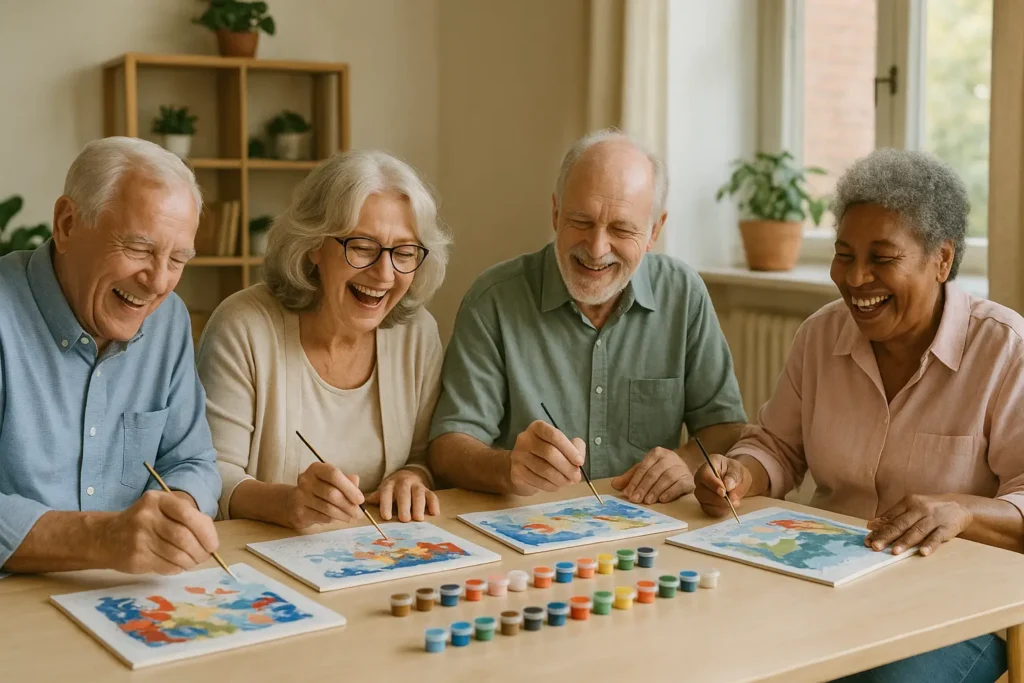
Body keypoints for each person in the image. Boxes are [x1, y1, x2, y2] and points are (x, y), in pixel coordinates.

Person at [694, 148, 1023, 683]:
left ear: (942, 260)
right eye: (844, 254)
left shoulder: (1006, 351)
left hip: (957, 610)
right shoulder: (820, 336)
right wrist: (739, 475)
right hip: (825, 582)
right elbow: (777, 448)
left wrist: (963, 512)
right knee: (719, 645)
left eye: (882, 258)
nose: (855, 278)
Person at [428, 129, 747, 502]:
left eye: (621, 229)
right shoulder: (494, 300)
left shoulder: (683, 293)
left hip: (646, 530)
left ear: (653, 231)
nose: (596, 249)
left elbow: (725, 426)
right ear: (555, 213)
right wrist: (508, 468)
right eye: (581, 221)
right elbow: (447, 448)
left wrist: (687, 460)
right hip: (530, 530)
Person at [0, 136, 222, 576]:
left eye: (177, 259)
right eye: (139, 249)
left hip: (128, 598)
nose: (159, 282)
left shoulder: (168, 319)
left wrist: (177, 513)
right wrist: (102, 538)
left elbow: (192, 460)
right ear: (66, 224)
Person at [196, 150, 451, 529]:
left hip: (378, 557)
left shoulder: (417, 333)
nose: (384, 274)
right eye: (362, 247)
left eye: (403, 252)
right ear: (314, 245)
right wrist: (287, 503)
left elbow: (423, 456)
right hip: (263, 560)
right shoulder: (243, 326)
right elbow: (210, 476)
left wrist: (413, 479)